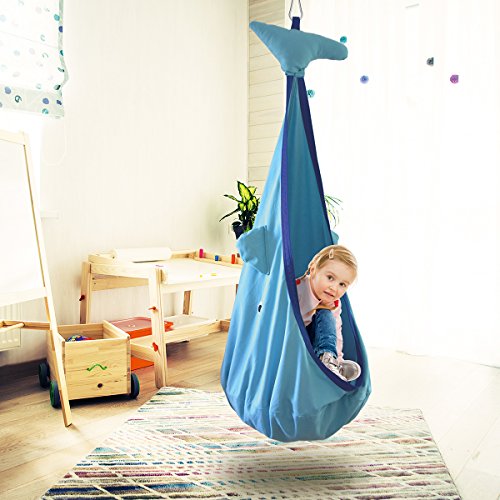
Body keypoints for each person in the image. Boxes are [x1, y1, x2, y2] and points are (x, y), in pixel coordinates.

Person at [296, 244, 361, 382]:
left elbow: (335, 331)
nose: (334, 288)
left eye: (342, 284)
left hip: (314, 346)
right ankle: (326, 363)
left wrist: (339, 358)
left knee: (326, 314)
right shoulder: (298, 289)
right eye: (330, 278)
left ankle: (330, 361)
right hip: (291, 340)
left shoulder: (333, 302)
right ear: (313, 270)